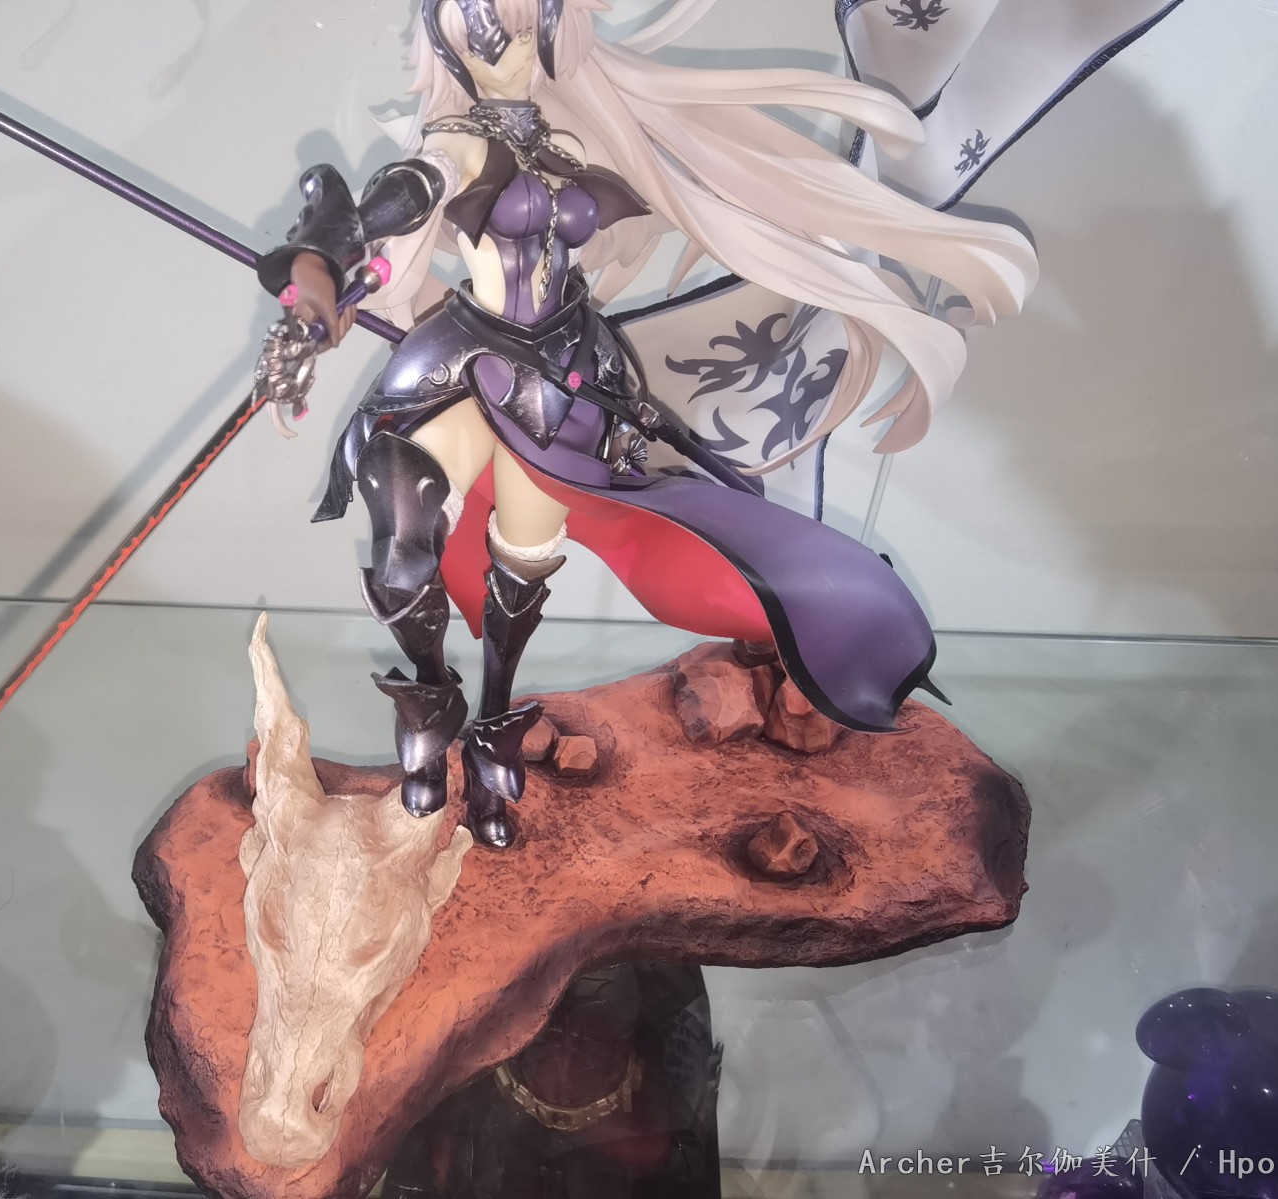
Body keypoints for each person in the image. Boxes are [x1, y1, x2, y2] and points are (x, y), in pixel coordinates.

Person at [257, 0, 1036, 847]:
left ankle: (491, 742)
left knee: (521, 569)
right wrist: (325, 263)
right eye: (477, 23)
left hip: (563, 372)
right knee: (404, 543)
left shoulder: (571, 134)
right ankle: (426, 715)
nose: (499, 44)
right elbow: (410, 192)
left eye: (520, 22)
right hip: (466, 355)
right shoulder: (457, 141)